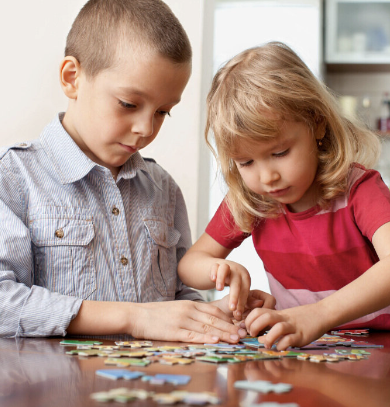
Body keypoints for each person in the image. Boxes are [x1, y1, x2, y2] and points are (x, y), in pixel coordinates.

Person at [0, 0, 267, 343]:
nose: (145, 128)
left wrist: (223, 316)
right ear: (72, 78)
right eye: (129, 104)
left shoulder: (163, 189)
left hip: (151, 392)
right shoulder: (14, 179)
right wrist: (133, 317)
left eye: (162, 112)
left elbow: (177, 301)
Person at [178, 41, 390, 350]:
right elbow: (189, 265)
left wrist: (318, 315)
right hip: (303, 352)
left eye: (280, 152)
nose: (267, 177)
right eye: (246, 162)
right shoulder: (253, 200)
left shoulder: (359, 188)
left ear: (317, 123)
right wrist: (219, 271)